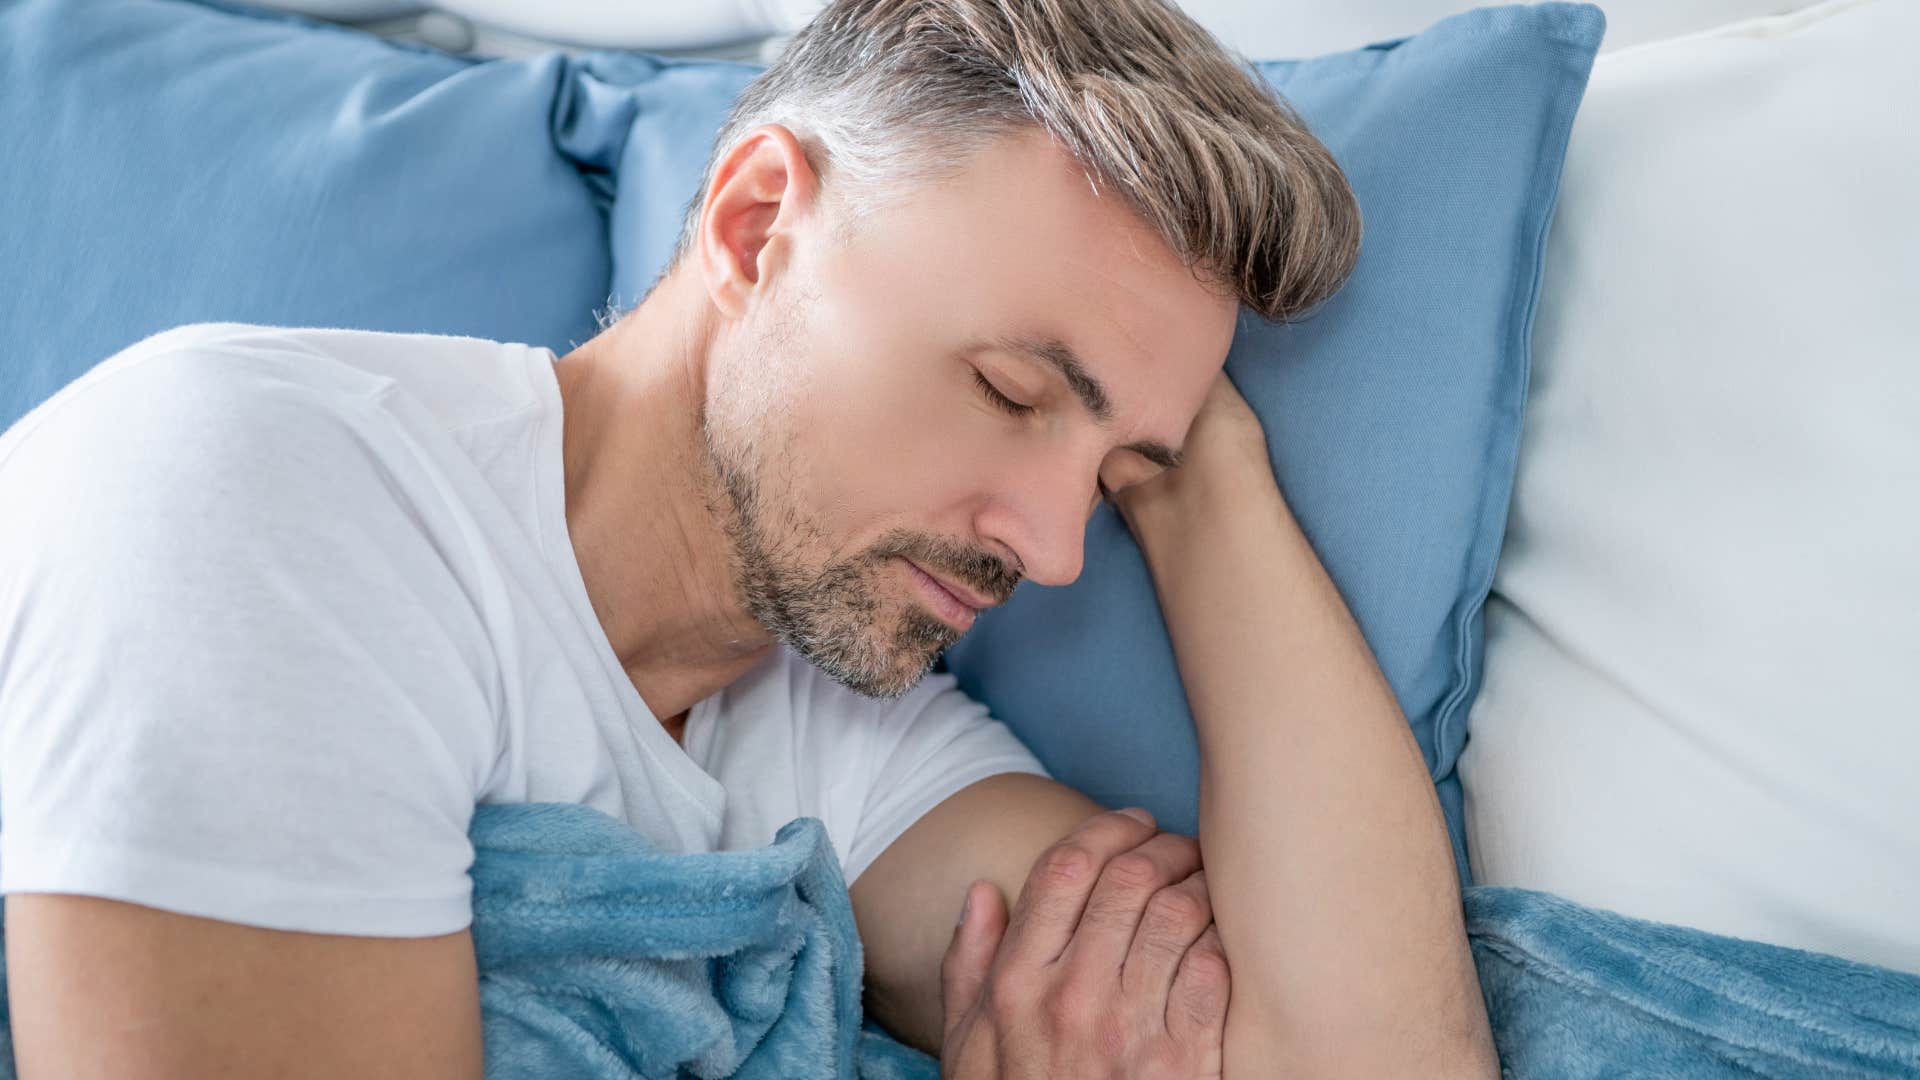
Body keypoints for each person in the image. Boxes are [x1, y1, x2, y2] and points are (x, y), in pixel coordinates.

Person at [0, 0, 1497, 1075]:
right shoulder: (267, 491)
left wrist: (1204, 474)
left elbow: (1360, 1058)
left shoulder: (833, 734)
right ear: (755, 224)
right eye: (1010, 392)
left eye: (1110, 479)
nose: (1051, 549)